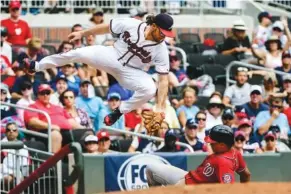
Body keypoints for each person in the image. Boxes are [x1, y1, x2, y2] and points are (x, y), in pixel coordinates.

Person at [23, 13, 175, 128]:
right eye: (162, 32)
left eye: (167, 34)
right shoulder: (133, 24)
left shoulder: (161, 49)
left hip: (131, 72)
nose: (164, 37)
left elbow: (163, 80)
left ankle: (118, 112)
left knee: (149, 89)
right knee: (78, 53)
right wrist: (83, 33)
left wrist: (160, 109)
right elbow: (107, 27)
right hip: (112, 55)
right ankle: (36, 66)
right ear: (154, 26)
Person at [146, 125, 251, 186]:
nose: (209, 143)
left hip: (190, 188)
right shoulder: (235, 153)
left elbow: (228, 190)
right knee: (150, 168)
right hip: (188, 177)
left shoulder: (223, 162)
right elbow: (246, 174)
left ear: (222, 145)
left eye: (213, 142)